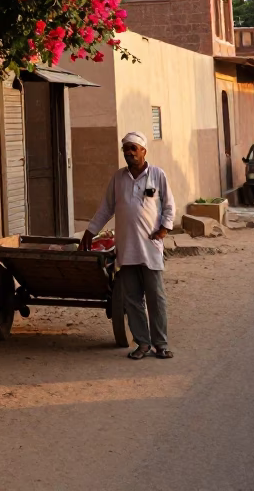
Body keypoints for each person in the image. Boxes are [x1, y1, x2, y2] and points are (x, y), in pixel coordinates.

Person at [80, 131, 176, 360]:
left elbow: (170, 206)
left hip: (150, 248)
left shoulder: (157, 175)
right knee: (132, 300)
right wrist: (90, 231)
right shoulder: (118, 178)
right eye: (126, 149)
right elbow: (106, 208)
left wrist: (163, 229)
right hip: (127, 248)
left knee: (156, 298)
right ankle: (142, 344)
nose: (129, 153)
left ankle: (160, 344)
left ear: (144, 151)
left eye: (134, 148)